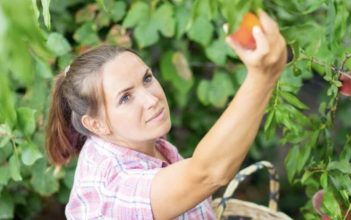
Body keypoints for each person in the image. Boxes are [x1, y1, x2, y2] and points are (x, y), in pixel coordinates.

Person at [45, 10, 286, 220]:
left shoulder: (137, 139)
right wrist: (262, 77)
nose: (152, 100)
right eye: (125, 97)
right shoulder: (109, 188)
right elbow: (206, 174)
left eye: (147, 79)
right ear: (95, 124)